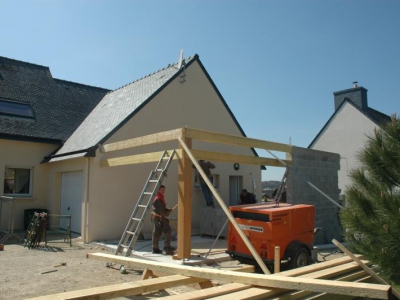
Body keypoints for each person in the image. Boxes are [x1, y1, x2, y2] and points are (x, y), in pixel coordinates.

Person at [151, 185, 175, 254]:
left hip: (158, 217)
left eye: (164, 190)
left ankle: (155, 248)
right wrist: (167, 212)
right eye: (162, 190)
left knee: (157, 232)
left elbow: (161, 209)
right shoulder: (158, 198)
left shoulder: (160, 197)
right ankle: (166, 247)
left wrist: (167, 209)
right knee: (167, 230)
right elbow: (161, 210)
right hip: (158, 217)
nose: (163, 191)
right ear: (158, 190)